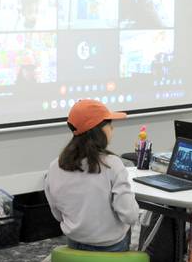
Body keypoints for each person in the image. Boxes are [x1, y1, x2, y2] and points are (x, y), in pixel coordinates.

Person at [45, 99, 141, 251]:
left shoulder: (55, 166)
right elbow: (130, 215)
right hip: (111, 246)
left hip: (74, 243)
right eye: (109, 125)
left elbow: (57, 214)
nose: (112, 129)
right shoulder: (112, 164)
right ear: (99, 130)